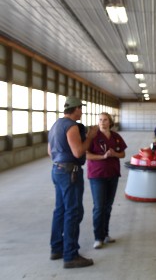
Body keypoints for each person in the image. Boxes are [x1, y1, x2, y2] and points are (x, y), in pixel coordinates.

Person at [48, 96, 98, 269]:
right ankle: (71, 255)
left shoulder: (56, 125)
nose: (81, 112)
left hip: (57, 169)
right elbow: (78, 152)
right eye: (80, 109)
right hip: (70, 172)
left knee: (60, 210)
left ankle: (56, 248)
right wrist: (90, 137)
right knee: (73, 212)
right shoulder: (71, 126)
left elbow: (50, 151)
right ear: (75, 109)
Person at [86, 112, 127, 249]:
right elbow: (87, 155)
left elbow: (123, 153)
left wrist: (115, 154)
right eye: (100, 120)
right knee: (99, 207)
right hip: (97, 175)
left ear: (110, 122)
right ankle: (98, 237)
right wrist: (103, 157)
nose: (102, 122)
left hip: (113, 175)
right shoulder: (93, 137)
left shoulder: (116, 137)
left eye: (105, 120)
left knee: (108, 206)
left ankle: (105, 234)